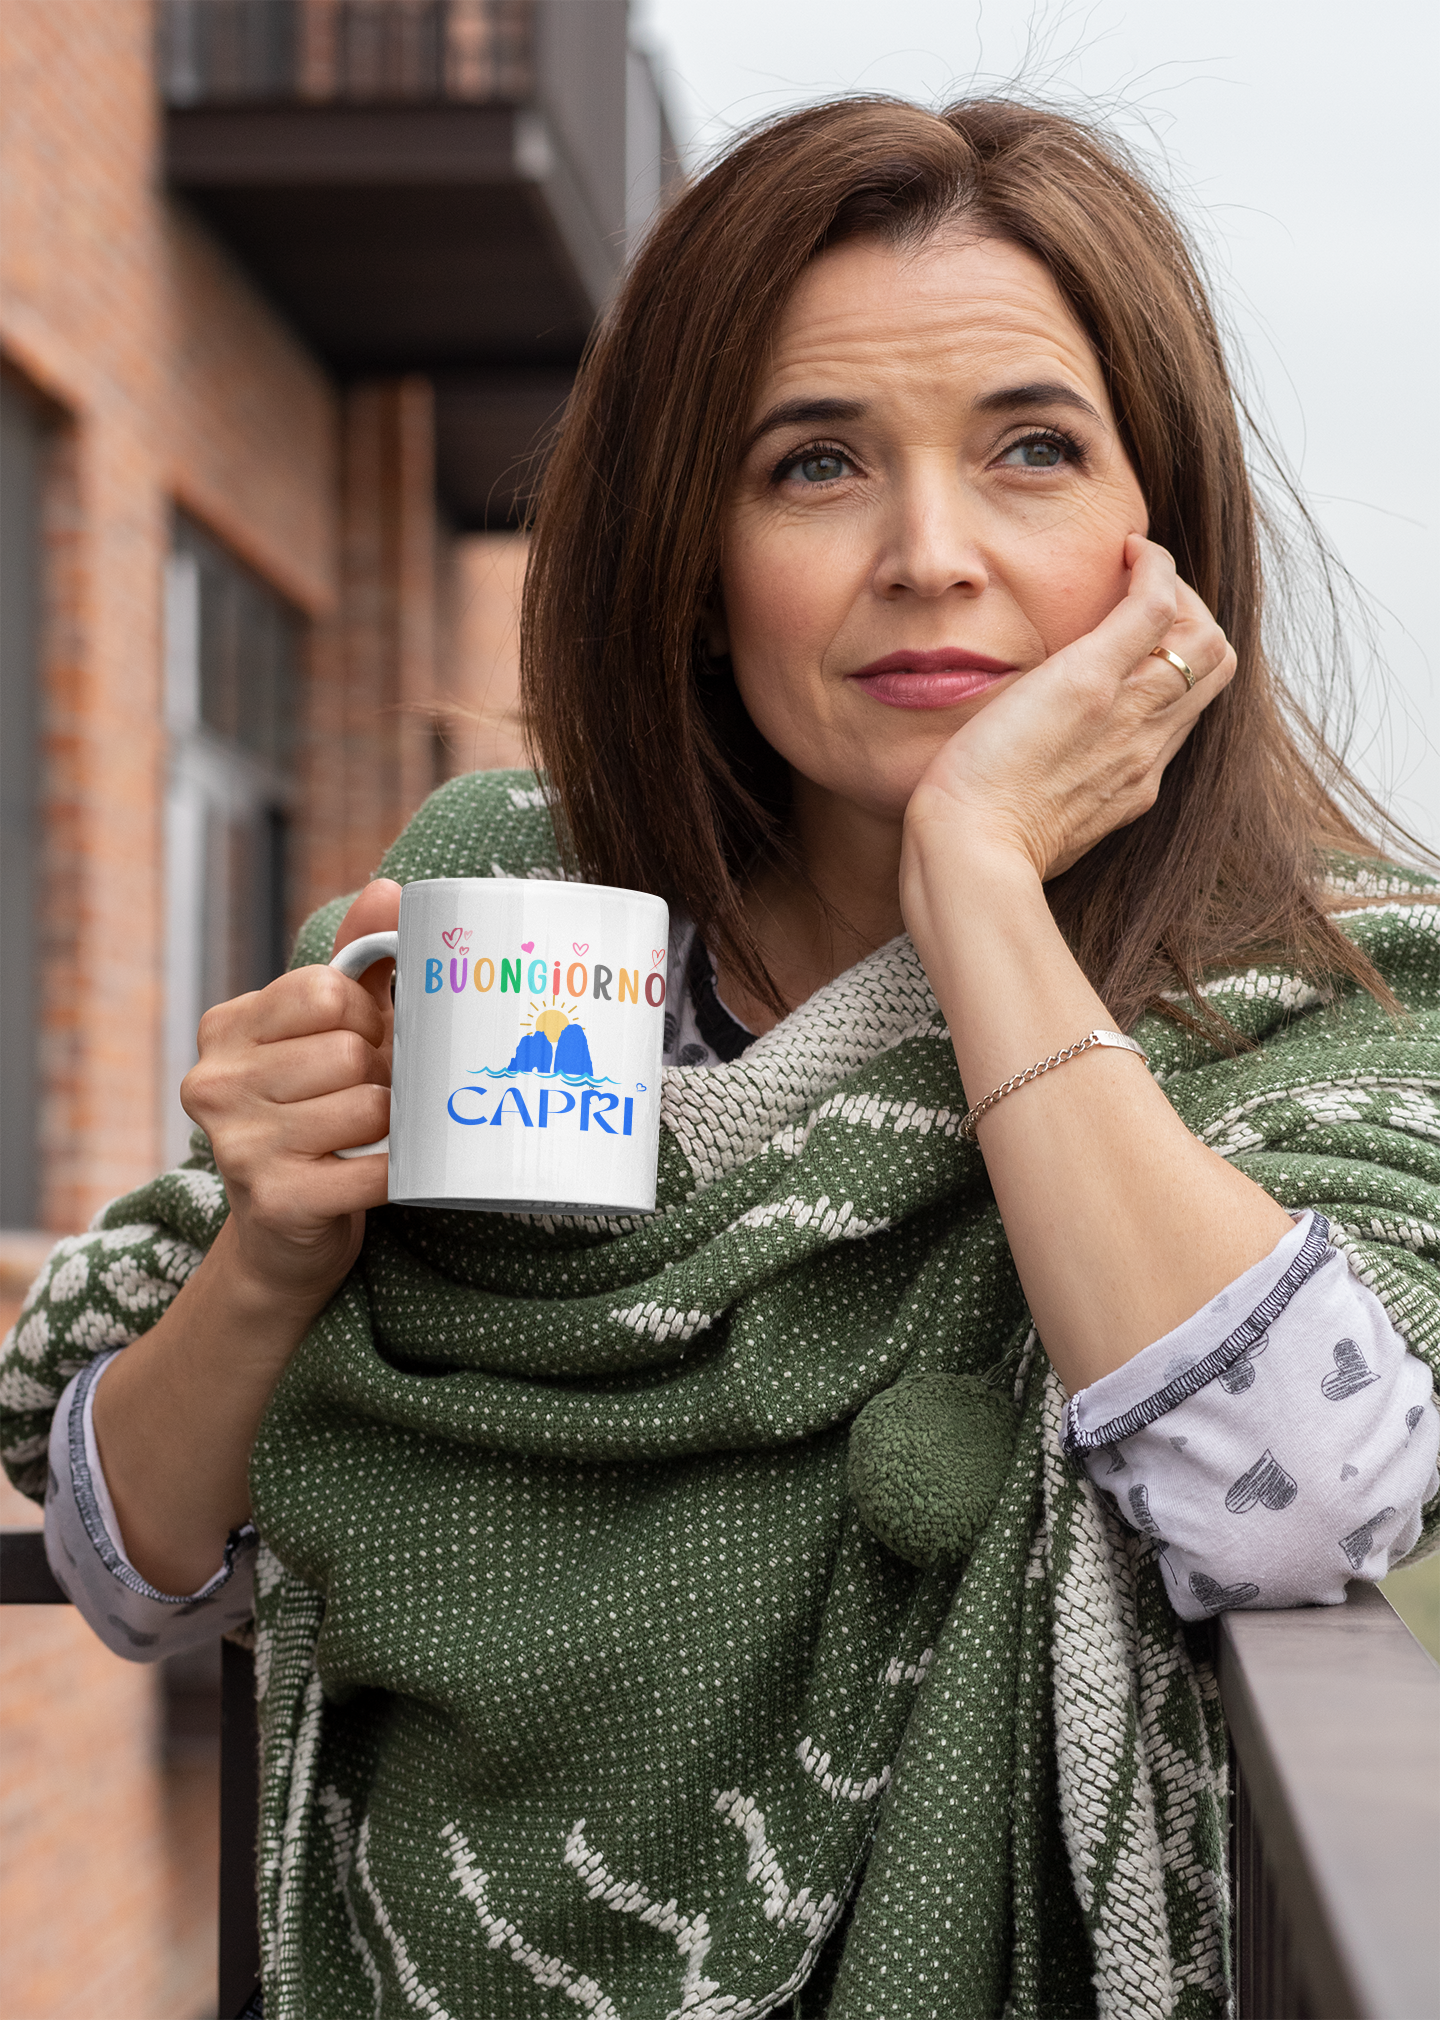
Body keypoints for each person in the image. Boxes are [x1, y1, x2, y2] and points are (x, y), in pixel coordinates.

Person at [4, 97, 1437, 2020]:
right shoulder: (505, 919)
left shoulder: (1317, 1000)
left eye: (1031, 450)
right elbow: (138, 1573)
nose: (931, 554)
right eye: (817, 464)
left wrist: (982, 889)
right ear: (696, 553)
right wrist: (273, 1254)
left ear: (1155, 535)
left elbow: (1303, 1497)